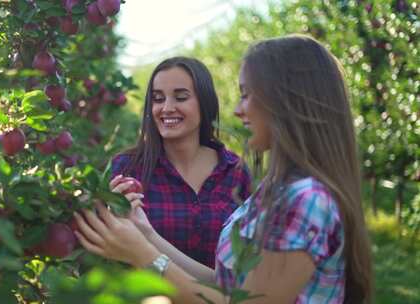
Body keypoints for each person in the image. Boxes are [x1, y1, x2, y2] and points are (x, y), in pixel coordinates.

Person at [73, 35, 373, 303]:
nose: (238, 110)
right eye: (158, 99)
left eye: (246, 94)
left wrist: (142, 254)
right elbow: (228, 287)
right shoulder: (275, 190)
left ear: (286, 100)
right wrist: (146, 235)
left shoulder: (303, 200)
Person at [110, 56, 252, 268]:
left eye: (181, 97)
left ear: (205, 103)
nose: (167, 108)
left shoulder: (236, 171)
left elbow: (247, 261)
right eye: (158, 99)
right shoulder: (127, 169)